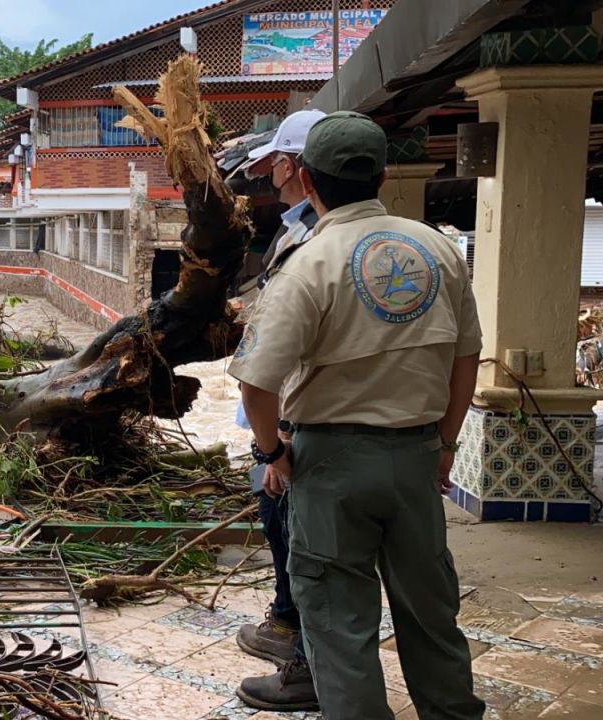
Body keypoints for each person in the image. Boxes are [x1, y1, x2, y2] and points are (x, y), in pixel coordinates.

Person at [228, 111, 486, 720]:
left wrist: (273, 454)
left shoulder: (310, 262)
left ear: (309, 180)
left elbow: (256, 384)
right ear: (383, 175)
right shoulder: (439, 249)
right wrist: (445, 445)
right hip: (418, 458)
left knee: (339, 628)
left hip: (332, 466)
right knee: (431, 616)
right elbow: (467, 356)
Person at [227, 109, 325, 713]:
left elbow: (286, 359)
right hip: (288, 416)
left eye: (276, 165)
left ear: (295, 166)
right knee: (279, 522)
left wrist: (275, 445)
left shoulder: (318, 241)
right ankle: (287, 621)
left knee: (299, 536)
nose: (269, 176)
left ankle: (303, 653)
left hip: (295, 419)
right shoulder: (299, 229)